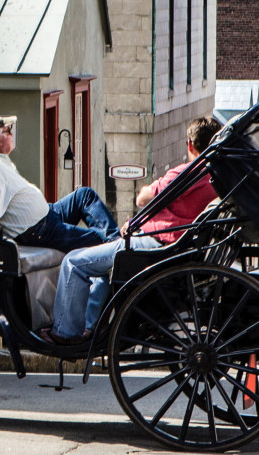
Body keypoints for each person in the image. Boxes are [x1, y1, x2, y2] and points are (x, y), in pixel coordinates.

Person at [47, 115, 226, 342]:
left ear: (190, 144)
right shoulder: (215, 175)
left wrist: (151, 187)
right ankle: (91, 326)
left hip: (157, 244)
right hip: (178, 244)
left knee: (74, 263)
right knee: (100, 252)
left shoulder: (187, 172)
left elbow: (143, 198)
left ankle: (65, 333)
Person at [0, 112, 116, 250]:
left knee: (84, 195)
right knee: (99, 238)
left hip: (47, 216)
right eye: (9, 130)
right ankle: (120, 248)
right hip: (38, 231)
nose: (12, 134)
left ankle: (117, 241)